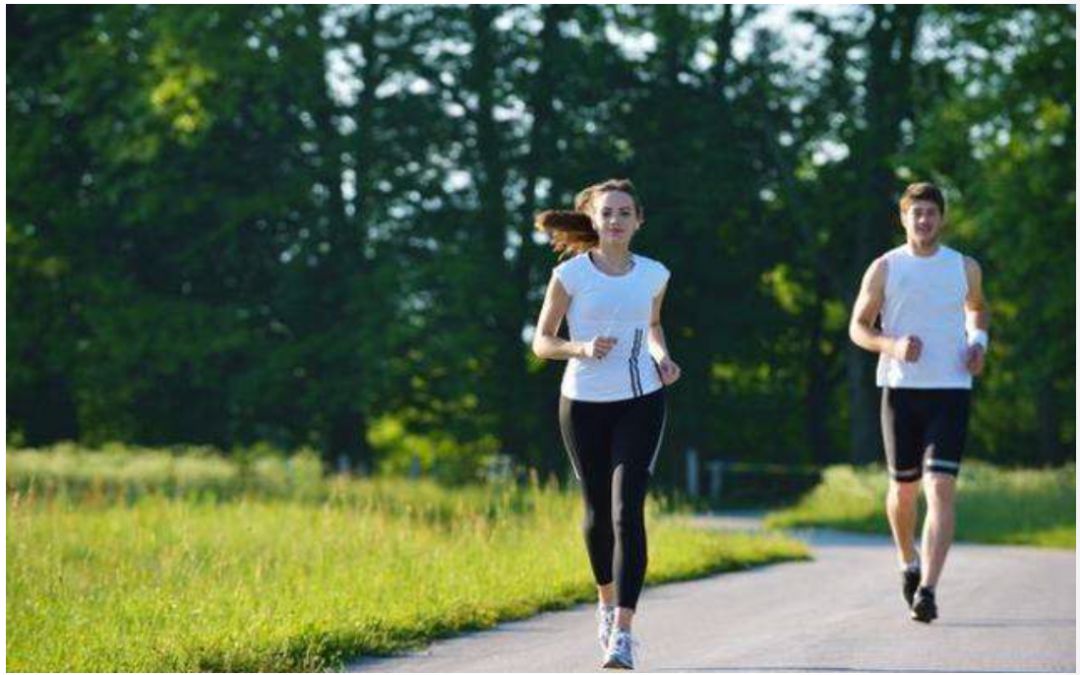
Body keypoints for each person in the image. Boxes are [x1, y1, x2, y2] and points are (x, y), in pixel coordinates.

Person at [532, 178, 681, 668]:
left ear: (638, 221)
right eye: (607, 213)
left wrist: (663, 357)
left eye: (624, 213)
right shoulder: (572, 276)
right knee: (597, 513)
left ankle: (623, 631)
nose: (614, 221)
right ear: (592, 220)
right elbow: (542, 341)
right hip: (583, 402)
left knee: (626, 512)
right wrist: (580, 348)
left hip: (641, 398)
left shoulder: (655, 274)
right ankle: (604, 599)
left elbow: (653, 325)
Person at [848, 182, 990, 623]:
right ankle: (907, 559)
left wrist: (978, 343)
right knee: (903, 491)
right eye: (916, 213)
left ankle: (927, 588)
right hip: (901, 391)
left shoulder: (963, 267)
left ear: (941, 218)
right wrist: (891, 345)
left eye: (931, 212)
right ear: (903, 218)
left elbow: (978, 308)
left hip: (950, 391)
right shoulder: (885, 267)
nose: (924, 220)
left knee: (941, 487)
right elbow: (858, 327)